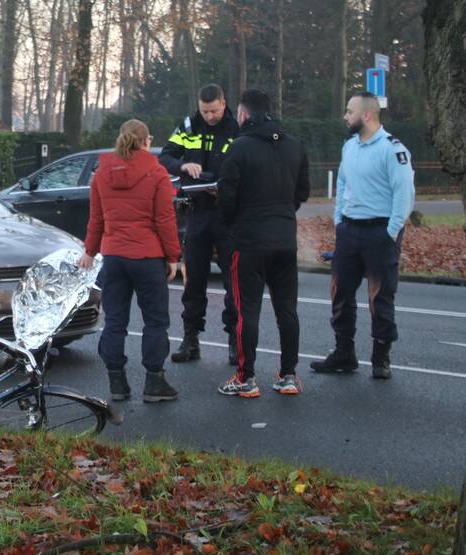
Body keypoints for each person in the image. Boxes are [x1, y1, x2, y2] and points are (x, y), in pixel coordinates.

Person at [310, 92, 415, 380]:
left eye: (349, 111)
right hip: (349, 231)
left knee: (380, 297)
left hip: (380, 232)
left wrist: (391, 232)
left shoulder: (393, 150)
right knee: (340, 293)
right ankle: (344, 353)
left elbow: (404, 195)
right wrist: (339, 220)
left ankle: (381, 359)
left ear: (366, 115)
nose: (345, 116)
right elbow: (343, 183)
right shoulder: (350, 147)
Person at [216, 89, 309, 398]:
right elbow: (302, 191)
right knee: (287, 311)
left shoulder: (239, 148)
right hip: (284, 238)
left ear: (243, 115)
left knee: (248, 312)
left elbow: (226, 195)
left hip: (250, 240)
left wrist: (234, 224)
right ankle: (288, 374)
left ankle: (245, 377)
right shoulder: (294, 146)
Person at [80, 119, 181, 404]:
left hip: (113, 257)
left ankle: (117, 383)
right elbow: (164, 220)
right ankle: (154, 383)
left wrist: (90, 250)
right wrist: (172, 256)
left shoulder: (101, 174)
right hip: (147, 257)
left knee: (115, 321)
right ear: (146, 141)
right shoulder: (157, 173)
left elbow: (96, 218)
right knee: (155, 322)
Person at [159, 84, 240, 366]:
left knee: (234, 283)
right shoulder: (189, 125)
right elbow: (166, 156)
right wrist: (183, 167)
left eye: (214, 110)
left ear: (223, 103)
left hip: (228, 214)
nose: (209, 116)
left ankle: (234, 341)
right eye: (205, 111)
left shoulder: (236, 127)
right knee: (193, 281)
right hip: (196, 212)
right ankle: (190, 339)